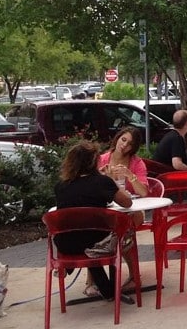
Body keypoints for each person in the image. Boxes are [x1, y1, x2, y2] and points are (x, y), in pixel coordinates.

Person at [54, 140, 135, 303]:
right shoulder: (101, 183)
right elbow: (128, 203)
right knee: (123, 235)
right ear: (93, 162)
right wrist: (111, 181)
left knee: (82, 233)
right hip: (97, 244)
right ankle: (113, 289)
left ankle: (105, 289)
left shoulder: (61, 185)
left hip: (66, 245)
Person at [90, 127, 148, 295]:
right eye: (123, 140)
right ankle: (91, 280)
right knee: (93, 230)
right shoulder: (101, 160)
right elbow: (89, 187)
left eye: (130, 144)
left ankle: (133, 276)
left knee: (124, 230)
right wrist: (102, 178)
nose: (125, 145)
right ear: (116, 139)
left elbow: (144, 192)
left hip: (131, 210)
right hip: (105, 211)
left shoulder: (136, 163)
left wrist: (130, 175)